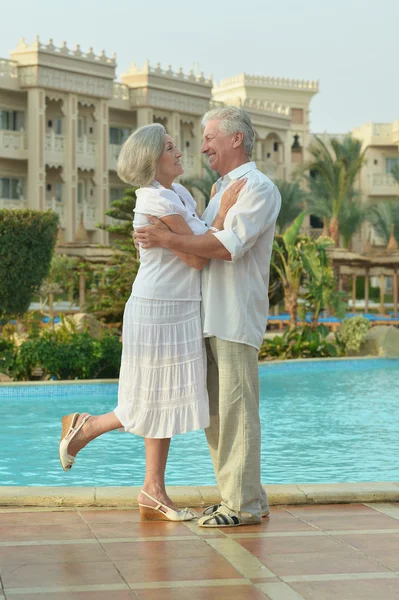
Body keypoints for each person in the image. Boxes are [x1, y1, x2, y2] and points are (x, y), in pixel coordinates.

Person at [58, 123, 244, 522]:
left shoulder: (176, 194)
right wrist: (224, 211)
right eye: (171, 148)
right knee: (150, 399)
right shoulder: (156, 203)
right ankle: (86, 428)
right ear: (151, 159)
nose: (180, 153)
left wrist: (202, 223)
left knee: (164, 399)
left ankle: (151, 489)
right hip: (157, 309)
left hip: (178, 308)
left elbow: (196, 241)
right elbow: (197, 257)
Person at [135, 107, 281, 527]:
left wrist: (165, 236)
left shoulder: (257, 187)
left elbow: (225, 246)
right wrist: (184, 235)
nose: (202, 147)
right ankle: (239, 496)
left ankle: (244, 506)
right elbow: (202, 238)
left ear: (236, 139)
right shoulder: (221, 188)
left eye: (210, 137)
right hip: (207, 315)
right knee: (217, 415)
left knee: (237, 411)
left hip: (234, 316)